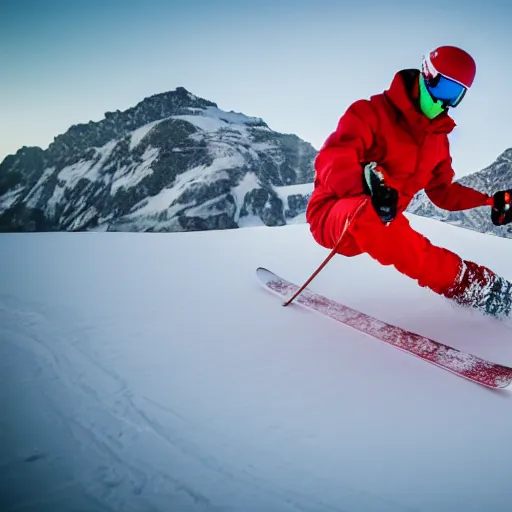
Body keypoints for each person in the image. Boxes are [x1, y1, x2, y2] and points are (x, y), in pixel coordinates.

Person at [306, 45, 512, 318]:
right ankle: (469, 284)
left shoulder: (438, 141)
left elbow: (443, 192)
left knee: (377, 219)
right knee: (367, 213)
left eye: (456, 96)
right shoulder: (370, 113)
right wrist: (365, 186)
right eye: (443, 90)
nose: (444, 103)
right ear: (427, 75)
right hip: (334, 218)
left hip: (383, 228)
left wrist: (489, 200)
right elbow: (332, 157)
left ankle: (481, 288)